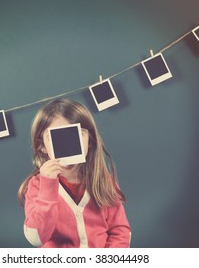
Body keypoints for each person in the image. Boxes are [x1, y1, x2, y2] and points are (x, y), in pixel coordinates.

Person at [18, 99, 131, 248]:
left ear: (89, 140)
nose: (67, 144)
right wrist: (47, 189)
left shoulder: (104, 182)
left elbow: (120, 231)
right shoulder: (37, 186)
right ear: (42, 146)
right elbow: (35, 238)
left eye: (77, 135)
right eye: (56, 138)